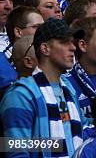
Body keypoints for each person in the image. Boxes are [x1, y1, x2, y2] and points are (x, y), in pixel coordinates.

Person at [0, 18, 85, 157]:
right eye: (64, 42)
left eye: (72, 41)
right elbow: (15, 149)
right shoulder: (21, 95)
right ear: (45, 48)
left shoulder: (68, 88)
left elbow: (82, 128)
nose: (73, 47)